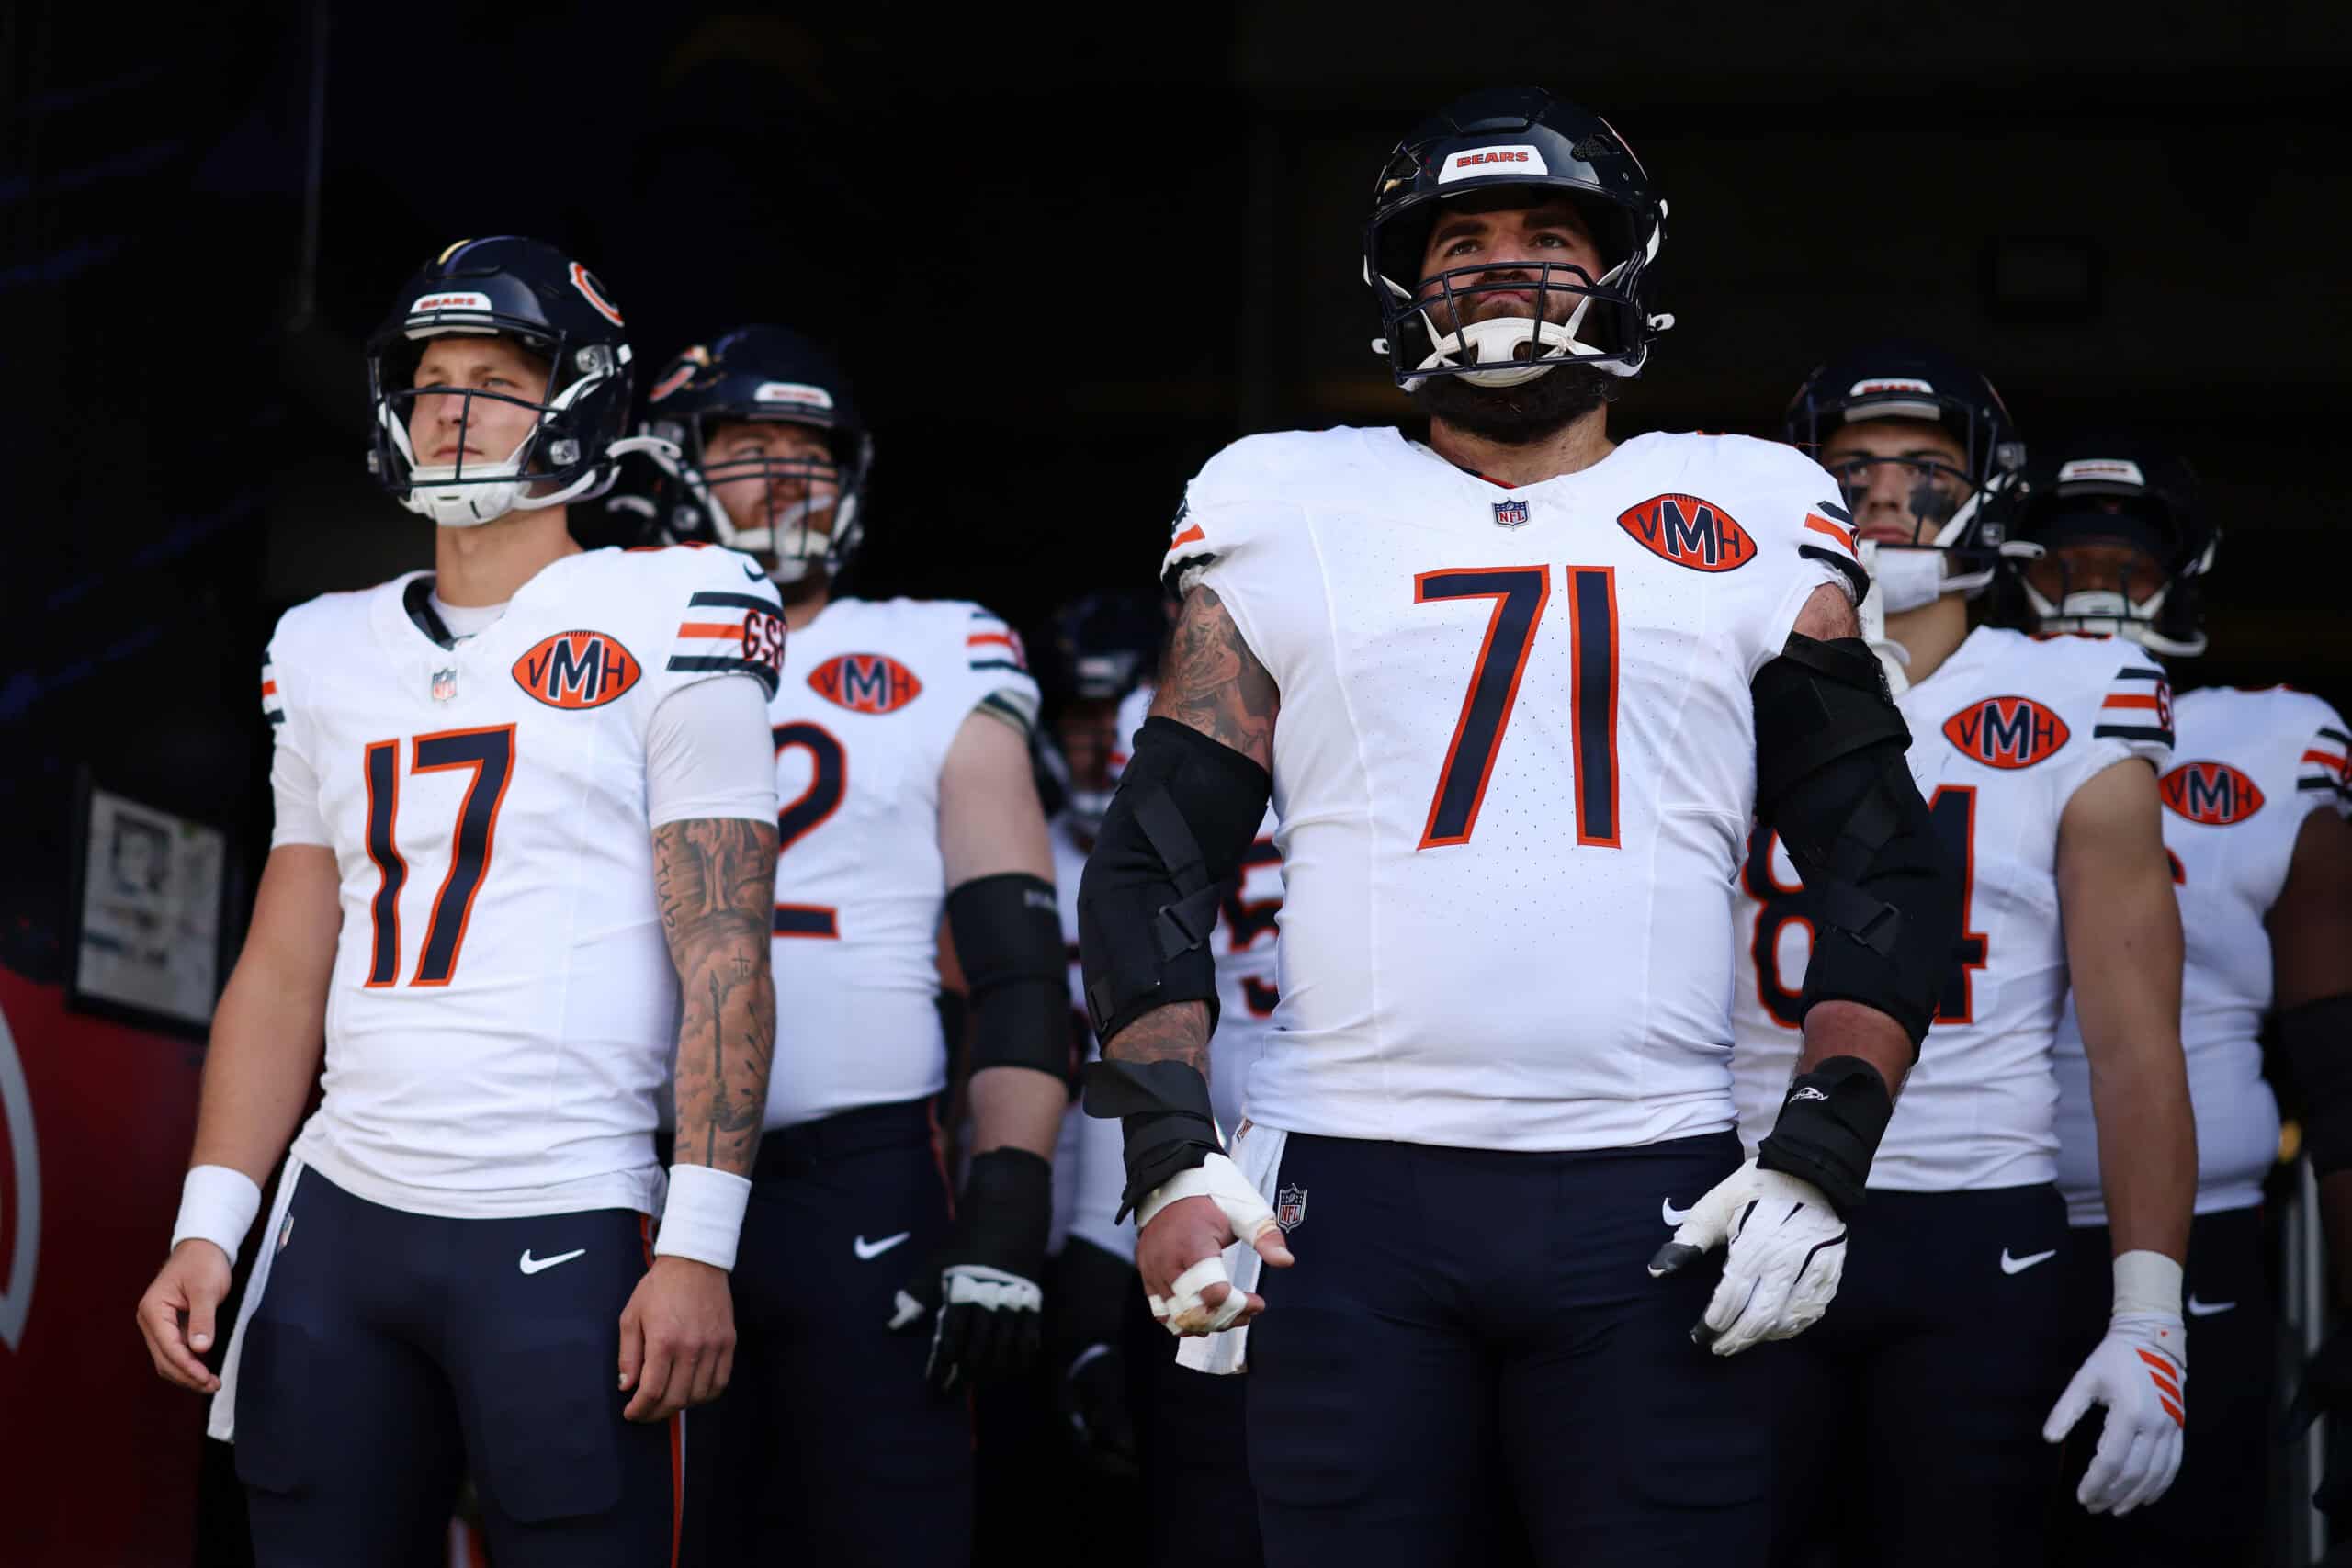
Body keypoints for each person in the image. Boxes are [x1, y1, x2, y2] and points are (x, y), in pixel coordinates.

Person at [1077, 87, 1963, 1565]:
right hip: (1342, 1192)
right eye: (1462, 236)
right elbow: (1158, 851)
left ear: (1623, 269)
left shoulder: (1751, 503)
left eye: (1550, 233)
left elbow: (1879, 860)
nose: (1501, 263)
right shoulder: (1282, 496)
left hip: (1653, 1186)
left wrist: (1821, 1150)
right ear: (1397, 281)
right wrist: (1170, 1154)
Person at [131, 236, 785, 1568]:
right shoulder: (320, 644)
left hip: (569, 1203)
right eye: (433, 378)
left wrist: (700, 1238)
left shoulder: (678, 604)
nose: (455, 406)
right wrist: (213, 1219)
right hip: (344, 1212)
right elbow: (282, 960)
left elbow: (726, 949)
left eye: (496, 376)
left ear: (580, 399)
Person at [1734, 351, 2196, 1564]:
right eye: (1854, 469)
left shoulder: (2077, 689)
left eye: (1927, 469)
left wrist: (2152, 1314)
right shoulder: (1711, 673)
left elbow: (2136, 1034)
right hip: (1741, 1187)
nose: (1887, 495)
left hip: (1974, 1217)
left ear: (1990, 489)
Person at [638, 323, 1070, 1566]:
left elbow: (1018, 966)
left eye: (809, 448)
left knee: (888, 1525)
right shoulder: (604, 636)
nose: (786, 474)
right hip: (636, 1164)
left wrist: (1005, 1202)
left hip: (867, 1168)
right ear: (677, 461)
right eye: (748, 444)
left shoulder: (941, 647)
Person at [2005, 437, 2352, 1564]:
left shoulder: (2268, 739)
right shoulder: (1945, 710)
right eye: (2065, 564)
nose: (2096, 589)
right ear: (2013, 567)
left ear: (2184, 577)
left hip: (2204, 1231)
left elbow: (2336, 1060)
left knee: (2181, 1538)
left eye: (2128, 564)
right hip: (1972, 1210)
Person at [1042, 592, 1277, 1568]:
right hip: (1143, 1204)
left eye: (1120, 712)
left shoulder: (1269, 825)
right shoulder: (1030, 844)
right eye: (1078, 718)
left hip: (1277, 1178)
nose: (1099, 744)